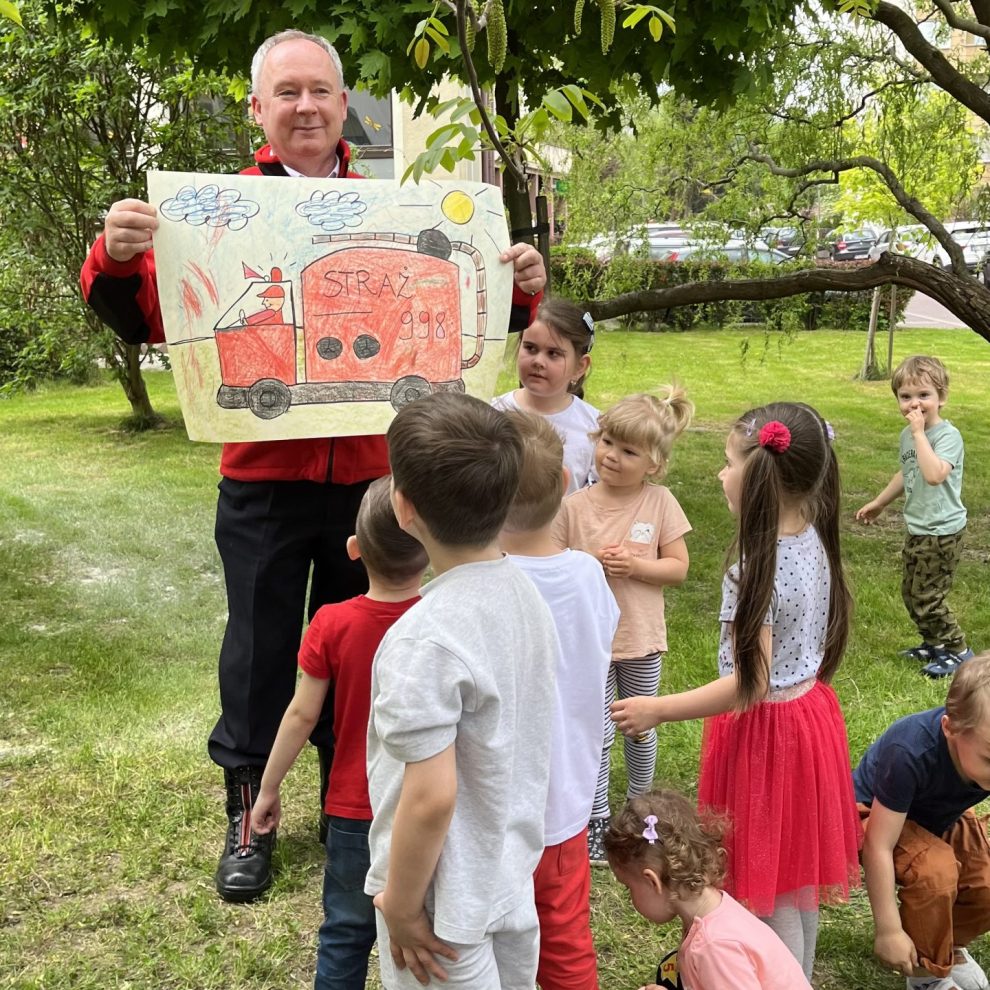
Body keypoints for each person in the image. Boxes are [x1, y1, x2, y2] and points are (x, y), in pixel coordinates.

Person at [78, 29, 546, 902]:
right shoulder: (212, 211)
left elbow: (481, 321)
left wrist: (519, 280)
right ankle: (248, 813)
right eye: (286, 92)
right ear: (258, 108)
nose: (305, 107)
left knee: (369, 646)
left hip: (376, 487)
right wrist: (117, 253)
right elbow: (141, 319)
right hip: (262, 482)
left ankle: (352, 805)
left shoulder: (396, 210)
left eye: (320, 91)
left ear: (343, 104)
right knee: (258, 654)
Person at [610, 402, 862, 981]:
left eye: (728, 463)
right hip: (808, 722)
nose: (719, 474)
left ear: (759, 476)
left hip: (767, 741)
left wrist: (657, 709)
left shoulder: (753, 568)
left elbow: (749, 685)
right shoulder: (814, 536)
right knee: (793, 881)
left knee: (765, 889)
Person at [365, 392, 559, 990]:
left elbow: (430, 798)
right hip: (506, 878)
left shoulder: (424, 639)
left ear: (402, 507)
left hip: (439, 909)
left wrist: (402, 907)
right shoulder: (526, 596)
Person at [250, 476, 428, 990]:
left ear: (354, 550)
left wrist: (268, 788)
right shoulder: (439, 617)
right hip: (426, 806)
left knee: (346, 933)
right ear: (430, 551)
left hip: (353, 808)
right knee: (423, 929)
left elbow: (301, 716)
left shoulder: (330, 624)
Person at [499, 411, 620, 990]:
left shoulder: (483, 584)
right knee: (566, 940)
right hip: (568, 802)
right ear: (568, 482)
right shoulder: (588, 575)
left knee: (491, 945)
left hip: (496, 810)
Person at [552, 390, 693, 866]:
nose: (612, 455)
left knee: (639, 725)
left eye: (628, 451)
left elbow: (678, 568)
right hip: (590, 642)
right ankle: (595, 817)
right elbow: (556, 565)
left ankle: (640, 806)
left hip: (641, 639)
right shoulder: (573, 507)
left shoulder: (660, 502)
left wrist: (636, 567)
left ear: (655, 464)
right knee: (595, 729)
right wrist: (587, 562)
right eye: (607, 441)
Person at [853, 652, 990, 990]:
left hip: (938, 816)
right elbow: (878, 845)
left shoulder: (976, 749)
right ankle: (926, 975)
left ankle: (948, 946)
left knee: (985, 882)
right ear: (950, 728)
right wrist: (888, 930)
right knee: (936, 871)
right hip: (873, 818)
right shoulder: (909, 752)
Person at [604, 790, 812, 990]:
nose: (630, 898)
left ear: (652, 881)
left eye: (628, 888)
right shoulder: (715, 909)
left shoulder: (714, 947)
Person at [855, 355, 972, 678]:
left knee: (928, 596)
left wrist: (920, 434)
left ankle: (959, 651)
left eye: (923, 395)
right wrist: (880, 502)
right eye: (905, 396)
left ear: (941, 397)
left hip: (942, 531)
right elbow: (907, 471)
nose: (914, 404)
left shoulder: (947, 436)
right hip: (918, 527)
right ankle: (934, 644)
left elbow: (934, 475)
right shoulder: (908, 436)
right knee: (911, 592)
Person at [492, 299, 598, 493]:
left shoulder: (596, 430)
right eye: (530, 348)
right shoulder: (491, 413)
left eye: (553, 353)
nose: (538, 361)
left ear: (580, 366)